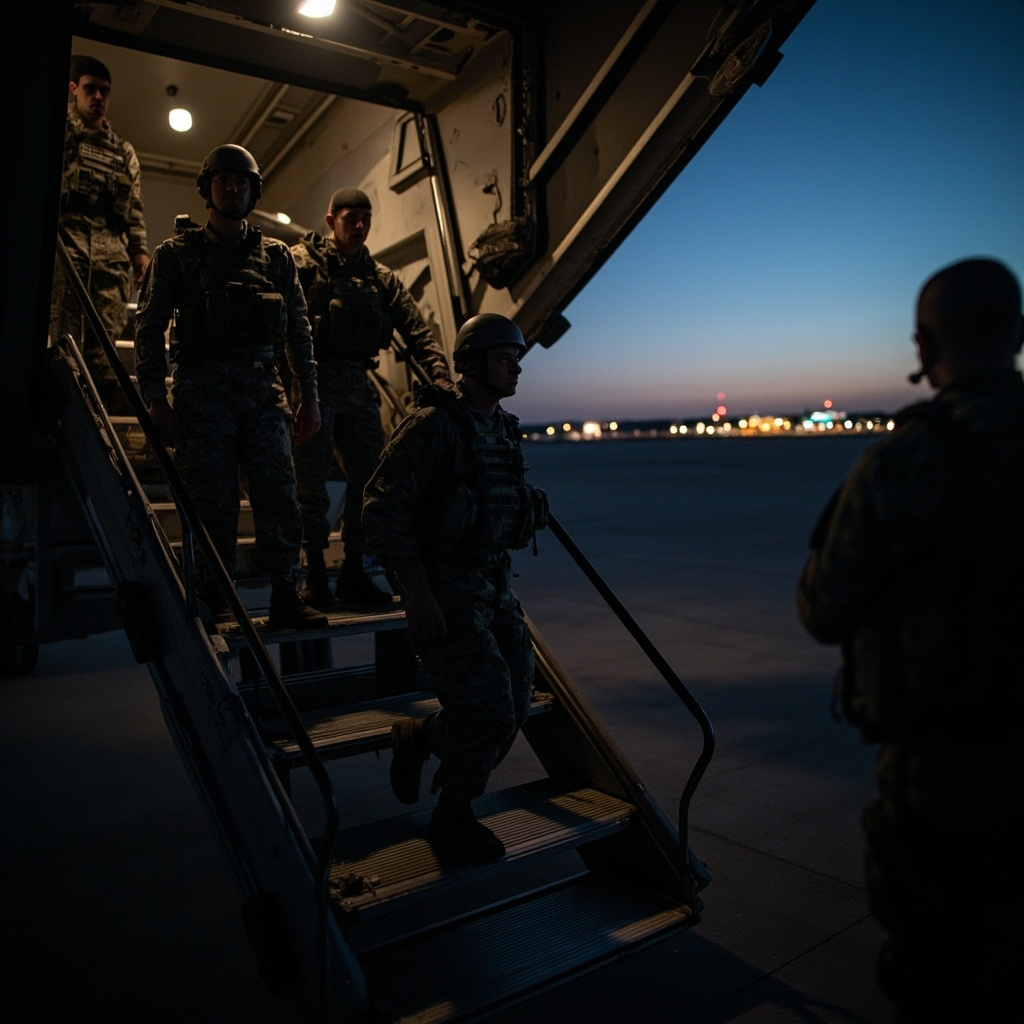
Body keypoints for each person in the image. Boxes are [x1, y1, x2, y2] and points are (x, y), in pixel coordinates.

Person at [796, 257, 1024, 1023]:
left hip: (945, 783)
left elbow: (823, 609)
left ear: (924, 347)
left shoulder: (906, 461)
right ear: (1019, 335)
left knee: (943, 978)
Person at [362, 313, 548, 863]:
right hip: (446, 591)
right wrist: (416, 592)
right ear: (472, 364)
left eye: (517, 359)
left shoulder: (503, 429)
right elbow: (381, 507)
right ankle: (453, 818)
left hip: (493, 585)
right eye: (505, 358)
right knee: (487, 710)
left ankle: (418, 740)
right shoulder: (431, 426)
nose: (516, 368)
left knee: (513, 705)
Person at [134, 144, 327, 631]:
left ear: (253, 190)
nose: (233, 187)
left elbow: (298, 328)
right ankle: (213, 594)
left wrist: (309, 394)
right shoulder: (176, 255)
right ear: (207, 189)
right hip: (203, 393)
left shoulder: (276, 256)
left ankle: (286, 593)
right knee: (212, 501)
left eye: (241, 181)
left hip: (265, 391)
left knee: (279, 495)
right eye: (223, 180)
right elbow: (150, 326)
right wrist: (156, 399)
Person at [289, 187, 454, 609]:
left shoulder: (381, 278)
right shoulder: (301, 264)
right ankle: (313, 572)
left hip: (357, 388)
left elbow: (415, 328)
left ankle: (353, 570)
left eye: (366, 218)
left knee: (373, 477)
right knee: (310, 481)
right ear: (331, 221)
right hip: (312, 384)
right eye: (350, 218)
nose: (359, 226)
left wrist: (438, 372)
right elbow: (278, 320)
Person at [54, 55, 149, 409]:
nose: (98, 97)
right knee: (59, 345)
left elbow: (135, 208)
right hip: (65, 253)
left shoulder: (123, 153)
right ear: (74, 89)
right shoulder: (56, 134)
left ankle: (92, 418)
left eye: (105, 91)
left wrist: (140, 252)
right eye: (91, 89)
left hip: (109, 264)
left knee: (101, 355)